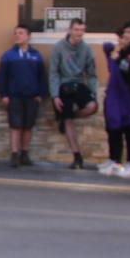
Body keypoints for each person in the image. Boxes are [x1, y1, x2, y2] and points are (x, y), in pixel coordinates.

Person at [48, 18, 99, 169]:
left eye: (82, 30)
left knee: (92, 107)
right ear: (70, 30)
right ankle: (77, 156)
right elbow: (53, 73)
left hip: (79, 84)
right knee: (68, 120)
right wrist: (55, 95)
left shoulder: (87, 49)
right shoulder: (58, 47)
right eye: (76, 30)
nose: (79, 33)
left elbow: (91, 74)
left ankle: (66, 117)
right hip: (63, 85)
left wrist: (93, 93)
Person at [0, 24, 46, 167]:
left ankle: (25, 153)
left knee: (28, 127)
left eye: (21, 33)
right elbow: (1, 77)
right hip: (14, 96)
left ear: (28, 36)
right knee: (15, 126)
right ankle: (14, 154)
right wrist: (4, 95)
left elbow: (42, 76)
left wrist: (41, 95)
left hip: (32, 96)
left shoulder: (36, 55)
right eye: (15, 33)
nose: (17, 35)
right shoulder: (8, 55)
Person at [100, 34, 130, 178]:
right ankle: (115, 159)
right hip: (116, 98)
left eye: (124, 37)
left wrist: (118, 60)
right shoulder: (121, 55)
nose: (121, 41)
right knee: (114, 129)